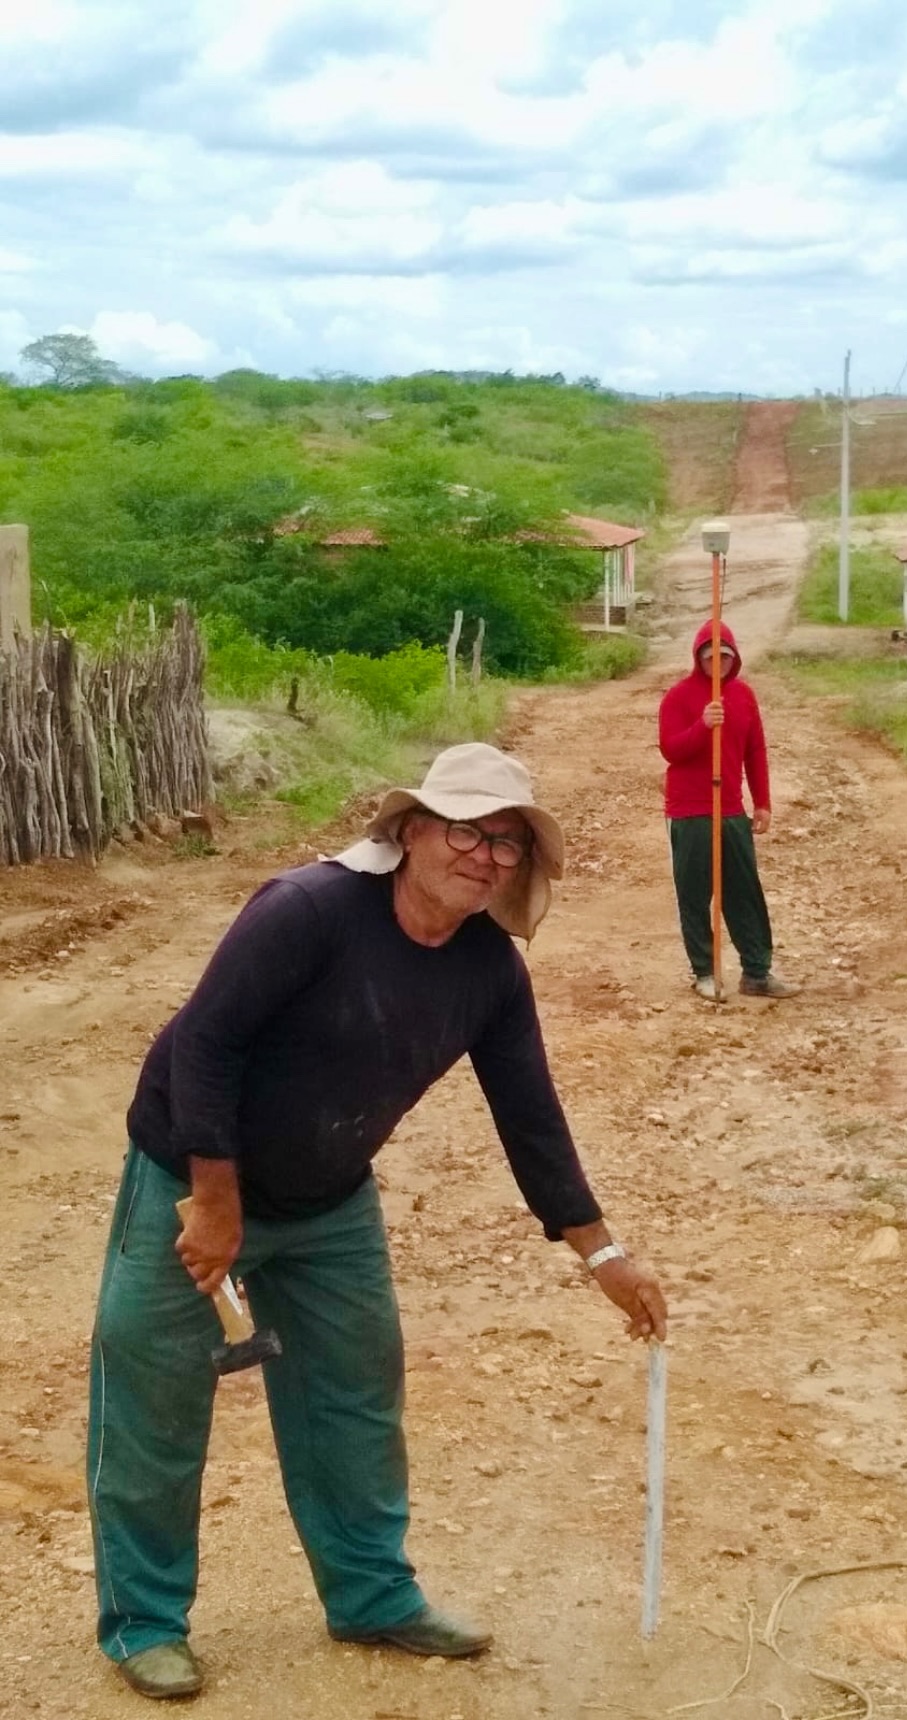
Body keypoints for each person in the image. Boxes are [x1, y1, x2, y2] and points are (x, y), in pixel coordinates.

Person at [87, 742, 668, 1702]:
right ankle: (144, 1621)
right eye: (467, 832)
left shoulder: (488, 971)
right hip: (191, 1182)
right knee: (155, 1403)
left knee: (355, 1400)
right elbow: (205, 1043)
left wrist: (601, 1252)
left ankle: (370, 1595)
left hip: (328, 1202)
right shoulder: (308, 913)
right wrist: (218, 1206)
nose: (484, 857)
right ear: (410, 832)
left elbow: (530, 1117)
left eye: (508, 845)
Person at [658, 620, 799, 1001]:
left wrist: (763, 802)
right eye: (709, 656)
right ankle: (704, 971)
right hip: (689, 811)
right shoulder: (678, 697)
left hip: (731, 808)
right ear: (698, 657)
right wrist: (703, 725)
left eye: (724, 656)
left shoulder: (744, 696)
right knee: (694, 893)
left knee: (743, 891)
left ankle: (756, 971)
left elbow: (755, 752)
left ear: (733, 658)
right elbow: (671, 750)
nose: (716, 662)